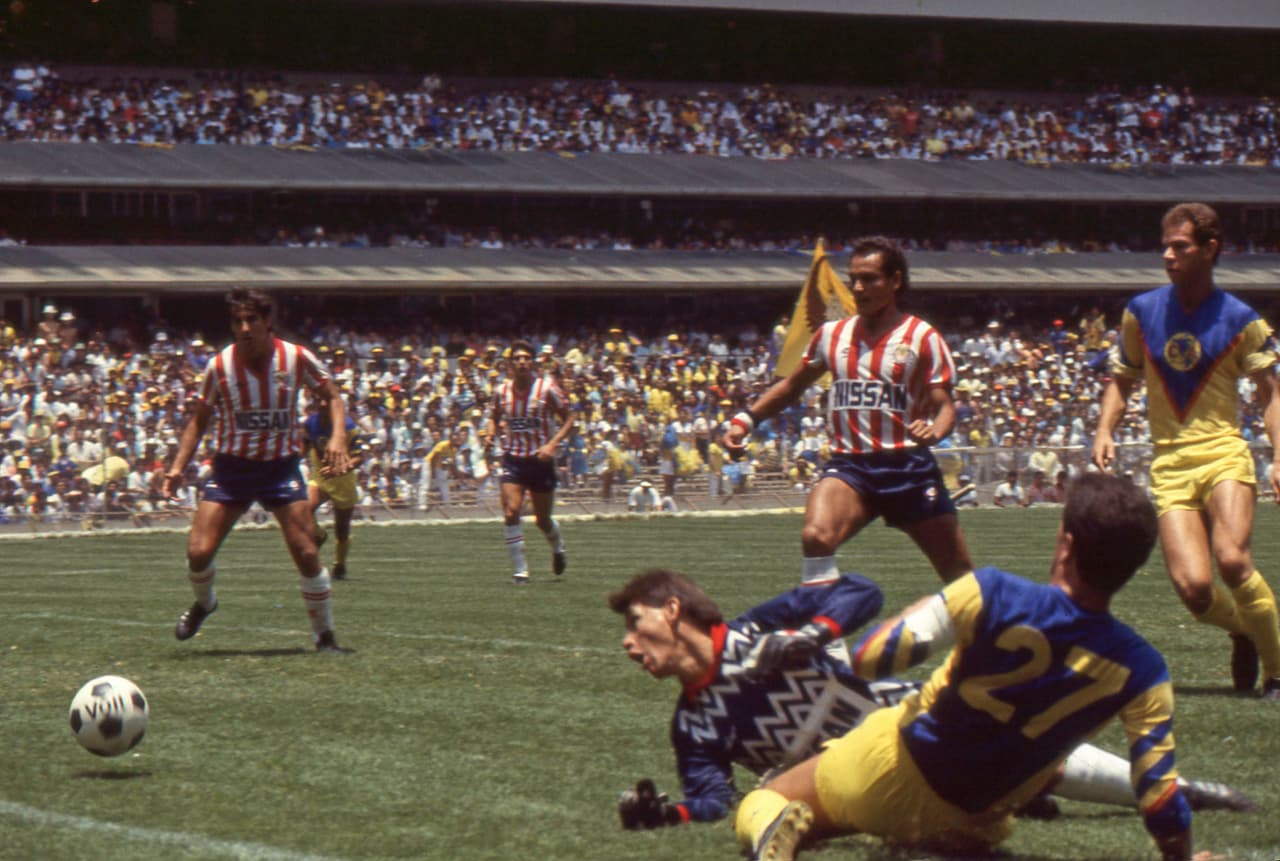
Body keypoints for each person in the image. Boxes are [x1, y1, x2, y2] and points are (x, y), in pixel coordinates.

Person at [733, 475, 1195, 861]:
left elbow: (873, 657)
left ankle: (774, 827)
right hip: (977, 815)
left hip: (887, 766)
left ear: (1066, 544)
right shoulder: (1144, 670)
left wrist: (925, 608)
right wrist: (1182, 855)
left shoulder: (992, 591)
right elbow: (1158, 795)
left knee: (769, 794)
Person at [609, 565, 1250, 833]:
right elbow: (715, 800)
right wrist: (671, 815)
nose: (629, 647)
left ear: (672, 612)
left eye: (635, 626)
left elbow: (860, 591)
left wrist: (811, 634)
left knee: (1035, 759)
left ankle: (1189, 792)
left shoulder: (758, 628)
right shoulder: (693, 724)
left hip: (908, 719)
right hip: (850, 777)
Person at [722, 236, 973, 612]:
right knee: (815, 537)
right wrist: (745, 419)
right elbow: (792, 385)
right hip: (851, 467)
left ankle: (996, 647)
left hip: (908, 468)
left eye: (869, 279)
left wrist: (936, 430)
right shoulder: (832, 335)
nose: (858, 288)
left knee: (960, 576)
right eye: (854, 278)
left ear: (895, 281)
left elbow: (945, 406)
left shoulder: (922, 337)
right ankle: (825, 646)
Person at [1092, 202, 1280, 700]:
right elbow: (1121, 379)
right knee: (1195, 590)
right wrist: (1104, 429)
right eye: (1166, 246)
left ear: (1210, 249)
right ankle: (1243, 630)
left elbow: (1270, 394)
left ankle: (1277, 674)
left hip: (1223, 453)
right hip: (1170, 463)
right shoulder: (1142, 312)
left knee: (1232, 560)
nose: (1168, 255)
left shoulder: (1243, 320)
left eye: (1181, 246)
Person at [162, 287, 352, 652]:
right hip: (232, 469)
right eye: (238, 321)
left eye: (252, 320)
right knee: (198, 553)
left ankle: (325, 638)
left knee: (307, 552)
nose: (245, 327)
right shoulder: (220, 366)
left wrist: (337, 439)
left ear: (268, 322)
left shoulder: (296, 358)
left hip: (280, 469)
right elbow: (199, 421)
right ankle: (206, 604)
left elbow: (333, 396)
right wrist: (176, 468)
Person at [485, 340, 574, 584]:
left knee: (542, 520)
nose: (522, 362)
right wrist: (490, 433)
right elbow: (493, 416)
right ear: (510, 364)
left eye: (526, 358)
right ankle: (520, 571)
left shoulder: (546, 389)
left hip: (540, 459)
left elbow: (569, 419)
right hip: (513, 458)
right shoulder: (501, 391)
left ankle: (558, 548)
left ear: (533, 362)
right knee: (511, 511)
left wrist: (552, 444)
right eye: (517, 358)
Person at [302, 392, 366, 580]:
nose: (322, 403)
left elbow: (360, 457)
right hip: (320, 477)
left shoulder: (348, 427)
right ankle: (319, 535)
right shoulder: (310, 423)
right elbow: (304, 446)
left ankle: (340, 565)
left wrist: (340, 469)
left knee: (342, 529)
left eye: (326, 400)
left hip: (342, 481)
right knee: (305, 507)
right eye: (319, 399)